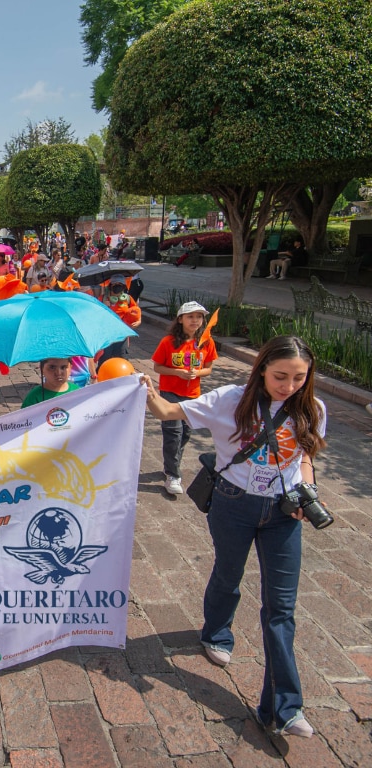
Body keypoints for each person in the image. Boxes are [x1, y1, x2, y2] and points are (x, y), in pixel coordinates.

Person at [141, 336, 327, 738]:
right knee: (228, 574)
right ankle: (216, 632)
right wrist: (146, 390)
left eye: (299, 377)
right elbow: (168, 411)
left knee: (281, 608)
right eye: (280, 376)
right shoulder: (230, 399)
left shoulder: (312, 408)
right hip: (233, 504)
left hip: (283, 514)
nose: (289, 385)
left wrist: (307, 491)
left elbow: (305, 456)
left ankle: (283, 708)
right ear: (262, 369)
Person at [151, 301, 219, 495]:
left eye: (199, 317)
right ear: (180, 319)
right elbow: (157, 367)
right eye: (190, 316)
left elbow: (208, 368)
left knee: (185, 433)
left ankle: (171, 465)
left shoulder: (206, 342)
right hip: (170, 393)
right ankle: (173, 475)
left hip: (192, 395)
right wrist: (177, 372)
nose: (195, 320)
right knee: (173, 432)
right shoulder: (168, 342)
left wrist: (197, 373)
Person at [97, 275, 141, 365]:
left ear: (124, 287)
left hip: (122, 335)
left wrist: (139, 321)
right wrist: (104, 306)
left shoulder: (128, 299)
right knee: (105, 361)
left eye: (120, 284)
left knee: (122, 360)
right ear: (110, 286)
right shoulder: (102, 299)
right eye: (115, 284)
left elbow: (136, 310)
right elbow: (96, 315)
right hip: (107, 336)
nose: (118, 286)